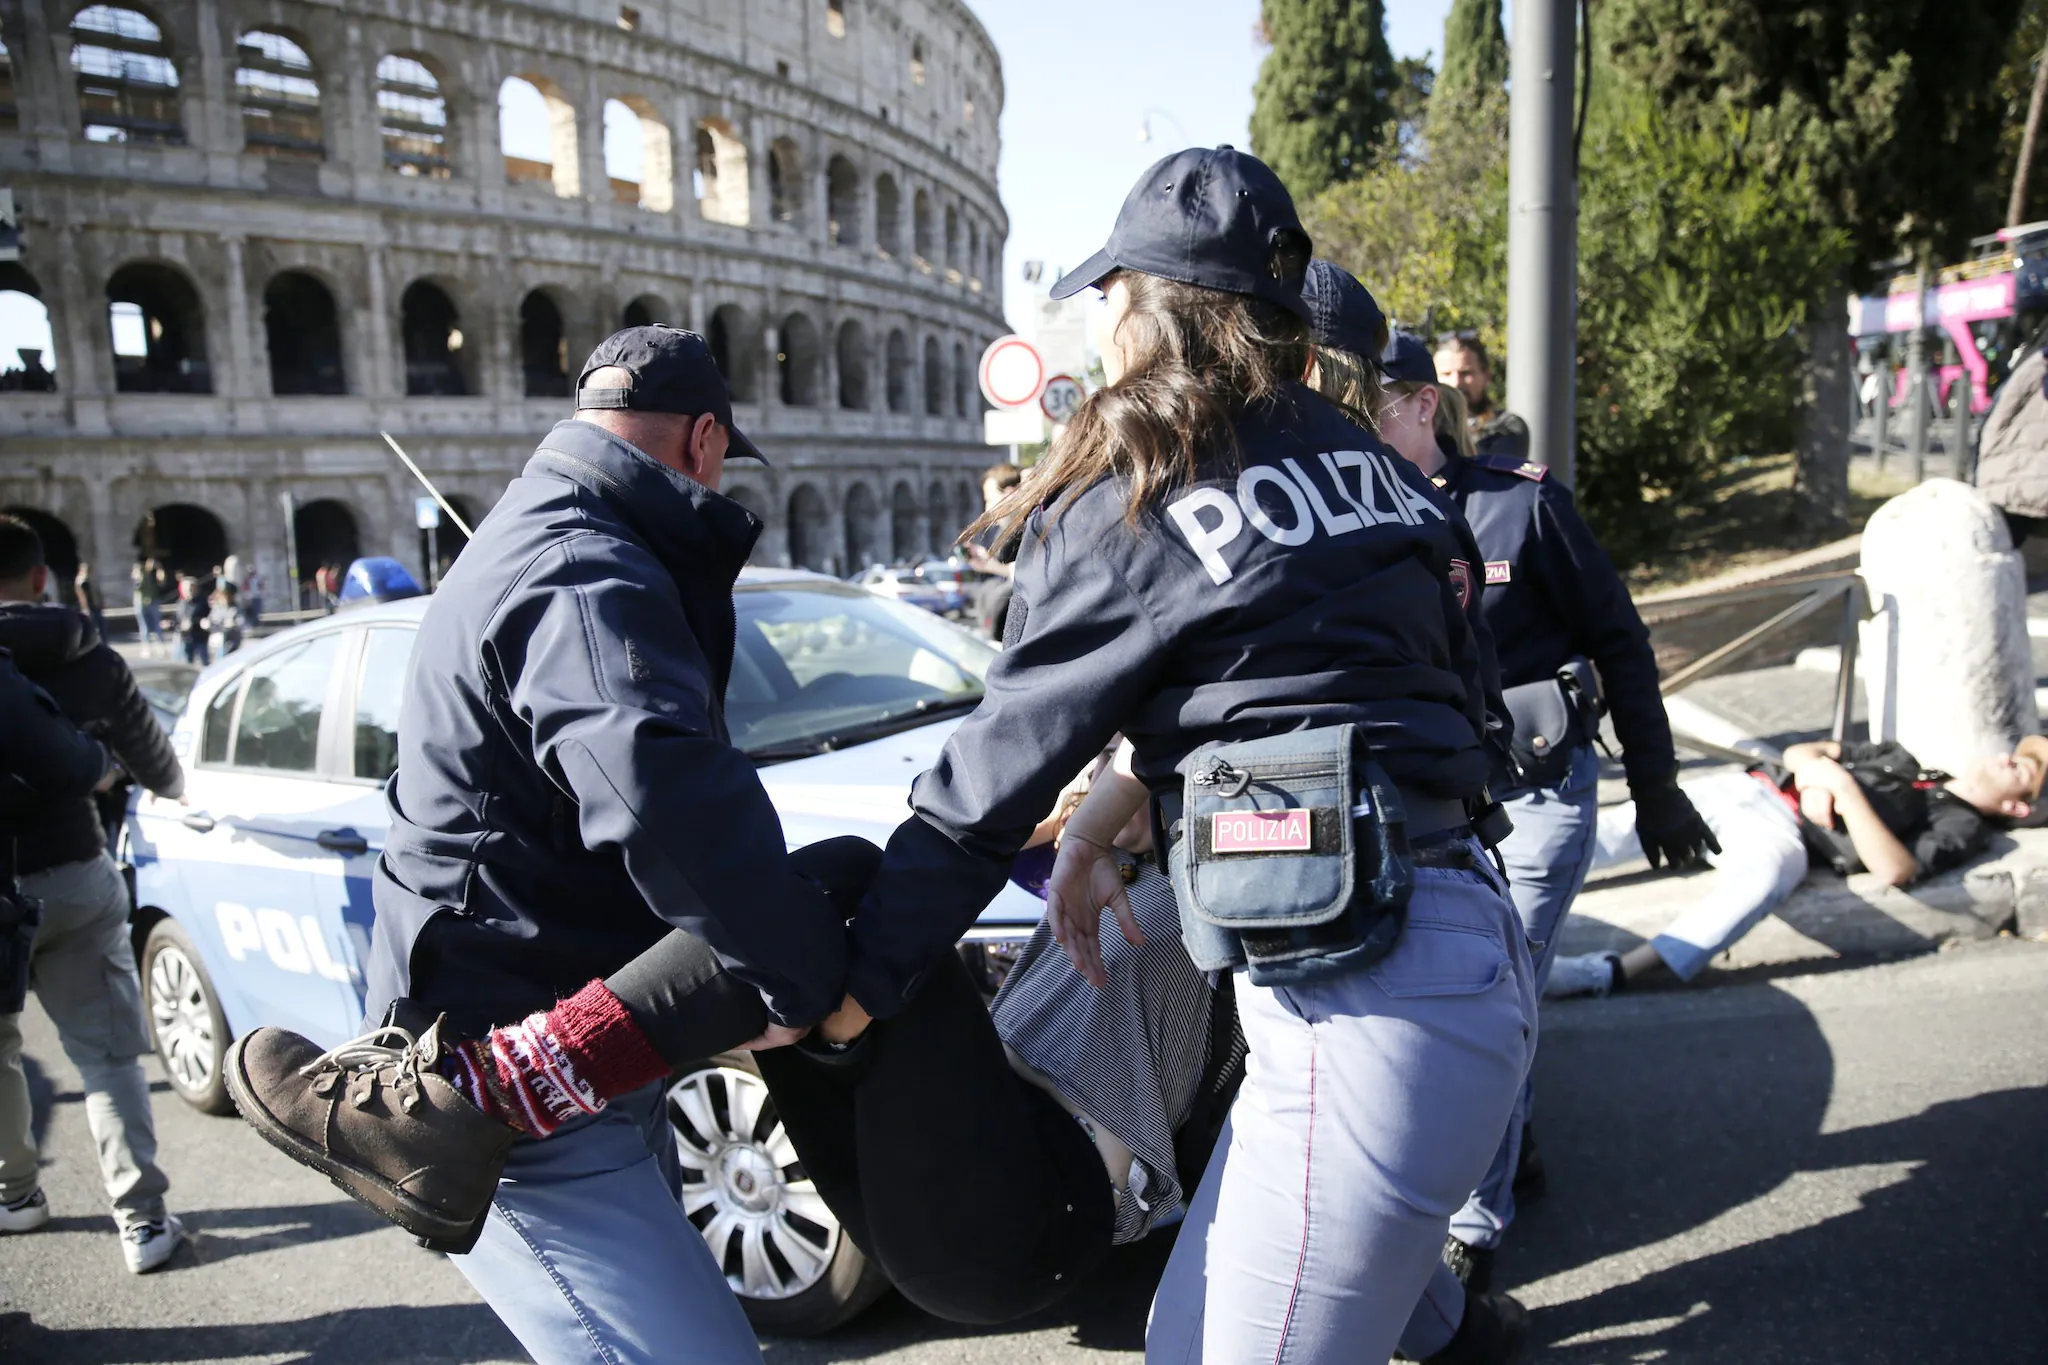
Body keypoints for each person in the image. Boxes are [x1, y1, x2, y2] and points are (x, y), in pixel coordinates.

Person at [225, 325, 853, 1365]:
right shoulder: (582, 563)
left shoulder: (549, 531)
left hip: (571, 1030)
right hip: (495, 1074)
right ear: (703, 439)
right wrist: (791, 982)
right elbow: (660, 794)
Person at [1323, 287, 1718, 1292]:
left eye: (1372, 407)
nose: (1355, 427)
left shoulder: (1518, 500)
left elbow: (1619, 641)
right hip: (1424, 811)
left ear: (1420, 404)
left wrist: (1658, 784)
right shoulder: (1354, 511)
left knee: (1497, 997)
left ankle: (1471, 1228)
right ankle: (1511, 1139)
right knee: (1484, 1010)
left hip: (1534, 796)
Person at [0, 514, 187, 1273]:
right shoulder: (93, 657)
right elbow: (161, 767)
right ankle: (141, 1220)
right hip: (76, 869)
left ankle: (15, 1196)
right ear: (43, 578)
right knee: (108, 1054)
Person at [1549, 737, 2045, 996]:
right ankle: (1504, 884)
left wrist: (1845, 792)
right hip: (1745, 787)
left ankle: (1606, 975)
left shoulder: (1960, 825)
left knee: (1765, 879)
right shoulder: (1903, 758)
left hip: (1786, 838)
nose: (2005, 759)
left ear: (2019, 807)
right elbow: (1804, 752)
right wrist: (1815, 775)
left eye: (2020, 768)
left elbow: (1895, 869)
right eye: (2013, 754)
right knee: (1607, 831)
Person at [1434, 334, 1530, 460]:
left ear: (1486, 376)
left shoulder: (1508, 427)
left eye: (1465, 373)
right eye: (1446, 374)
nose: (1456, 383)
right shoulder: (1424, 427)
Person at [962, 461, 1022, 638]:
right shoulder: (1006, 533)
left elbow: (1031, 573)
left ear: (1010, 493)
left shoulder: (1028, 530)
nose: (988, 509)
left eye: (989, 500)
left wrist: (992, 566)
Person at [128, 560, 163, 658]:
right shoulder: (135, 579)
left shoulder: (149, 576)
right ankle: (146, 647)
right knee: (144, 627)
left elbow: (161, 581)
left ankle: (159, 646)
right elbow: (137, 587)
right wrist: (137, 576)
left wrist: (159, 568)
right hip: (140, 604)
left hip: (152, 602)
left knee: (156, 625)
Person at [173, 576, 208, 666]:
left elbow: (207, 617)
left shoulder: (203, 602)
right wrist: (176, 625)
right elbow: (176, 620)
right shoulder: (180, 603)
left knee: (204, 662)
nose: (189, 590)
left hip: (200, 636)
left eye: (191, 588)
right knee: (187, 662)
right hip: (186, 638)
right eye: (187, 588)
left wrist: (193, 622)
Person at [205, 581, 244, 657]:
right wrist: (208, 623)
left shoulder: (235, 609)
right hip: (217, 643)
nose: (225, 597)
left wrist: (234, 623)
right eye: (223, 595)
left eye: (227, 595)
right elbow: (211, 621)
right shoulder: (216, 609)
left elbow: (242, 622)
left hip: (231, 643)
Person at [73, 562, 105, 641]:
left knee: (98, 628)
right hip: (92, 608)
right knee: (100, 628)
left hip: (92, 607)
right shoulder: (83, 582)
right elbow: (83, 597)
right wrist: (86, 608)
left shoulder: (81, 580)